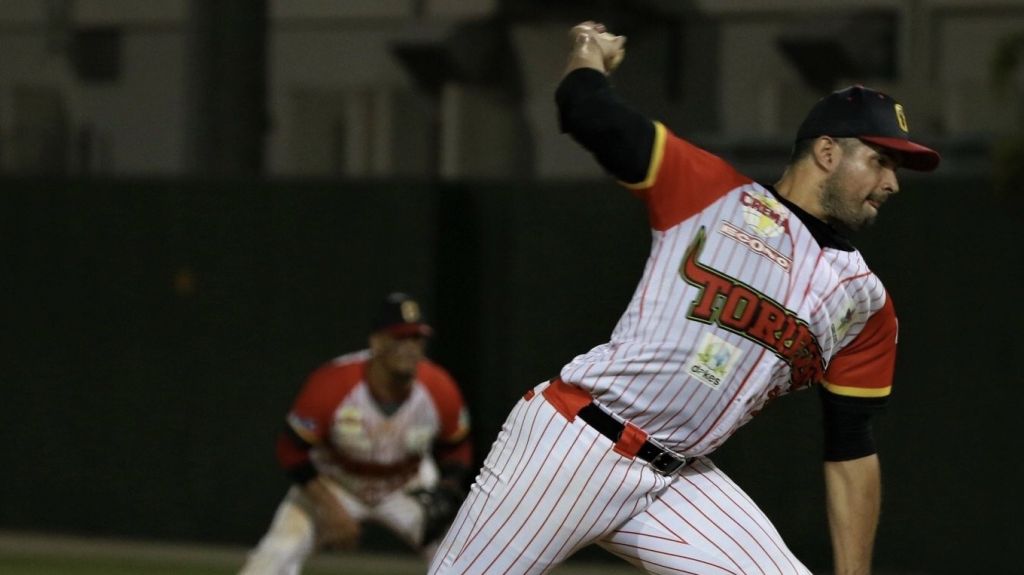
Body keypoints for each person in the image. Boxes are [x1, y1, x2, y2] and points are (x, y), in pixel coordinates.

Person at [429, 21, 939, 575]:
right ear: (826, 152)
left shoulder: (863, 302)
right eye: (881, 160)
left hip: (679, 479)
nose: (892, 183)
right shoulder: (712, 193)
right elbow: (587, 110)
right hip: (574, 445)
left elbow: (852, 445)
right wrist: (585, 51)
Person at [240, 292, 472, 574]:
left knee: (467, 556)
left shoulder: (439, 387)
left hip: (406, 484)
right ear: (375, 342)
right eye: (399, 337)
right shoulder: (333, 384)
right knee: (270, 560)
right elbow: (290, 450)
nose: (409, 347)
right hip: (337, 481)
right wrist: (330, 507)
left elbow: (457, 447)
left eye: (416, 338)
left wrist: (448, 487)